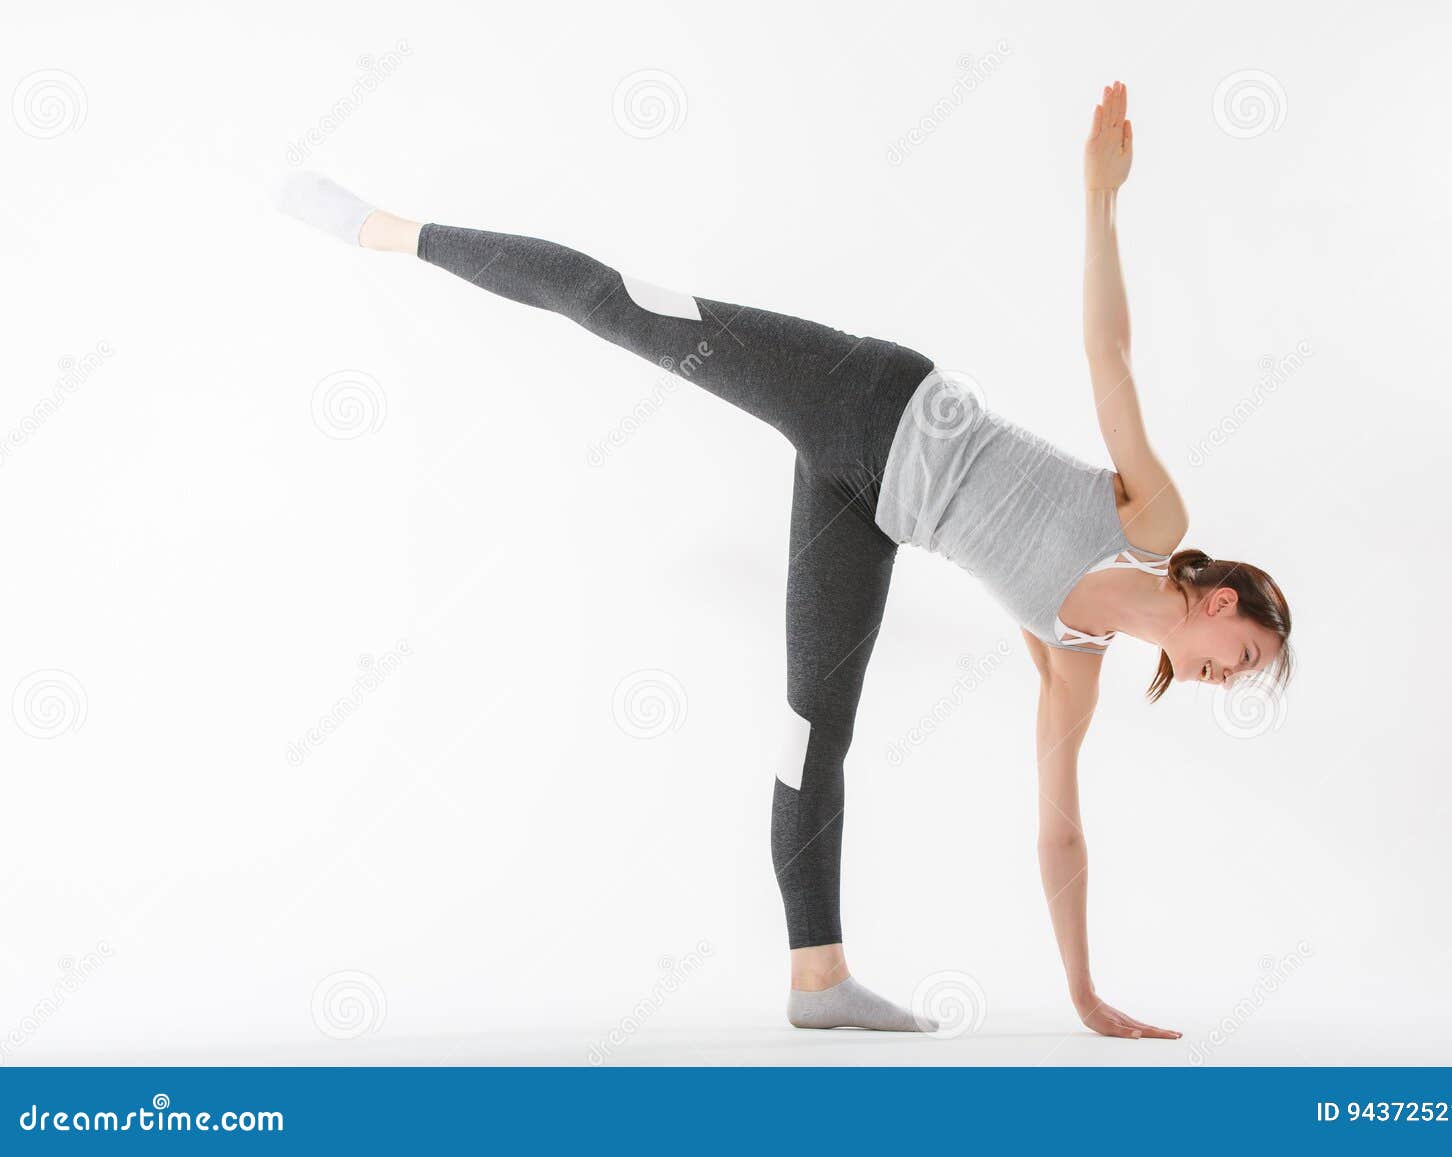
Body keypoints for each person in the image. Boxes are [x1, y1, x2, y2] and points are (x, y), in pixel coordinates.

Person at [279, 81, 1292, 1039]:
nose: (1228, 676)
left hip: (868, 508)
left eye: (1239, 677)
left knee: (815, 728)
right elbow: (1106, 355)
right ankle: (375, 225)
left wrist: (1083, 990)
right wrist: (1098, 201)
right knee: (619, 303)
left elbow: (1058, 830)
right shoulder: (1152, 519)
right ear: (1224, 596)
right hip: (867, 397)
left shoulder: (1075, 656)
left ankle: (819, 976)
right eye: (1247, 652)